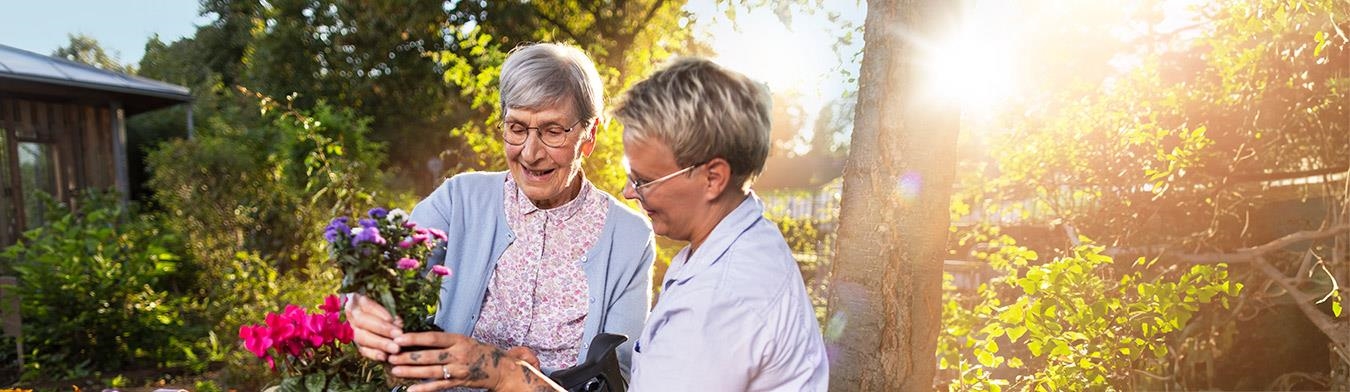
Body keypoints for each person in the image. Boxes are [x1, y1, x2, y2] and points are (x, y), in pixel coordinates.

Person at [389, 57, 829, 391]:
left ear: (713, 177)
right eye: (516, 128)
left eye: (644, 179)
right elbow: (387, 264)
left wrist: (503, 373)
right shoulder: (726, 251)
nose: (629, 192)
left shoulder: (719, 301)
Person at [345, 42, 656, 383]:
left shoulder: (630, 239)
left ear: (589, 135)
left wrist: (518, 378)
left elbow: (620, 380)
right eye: (517, 128)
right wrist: (363, 303)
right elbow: (385, 268)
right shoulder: (460, 199)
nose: (530, 153)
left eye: (553, 131)